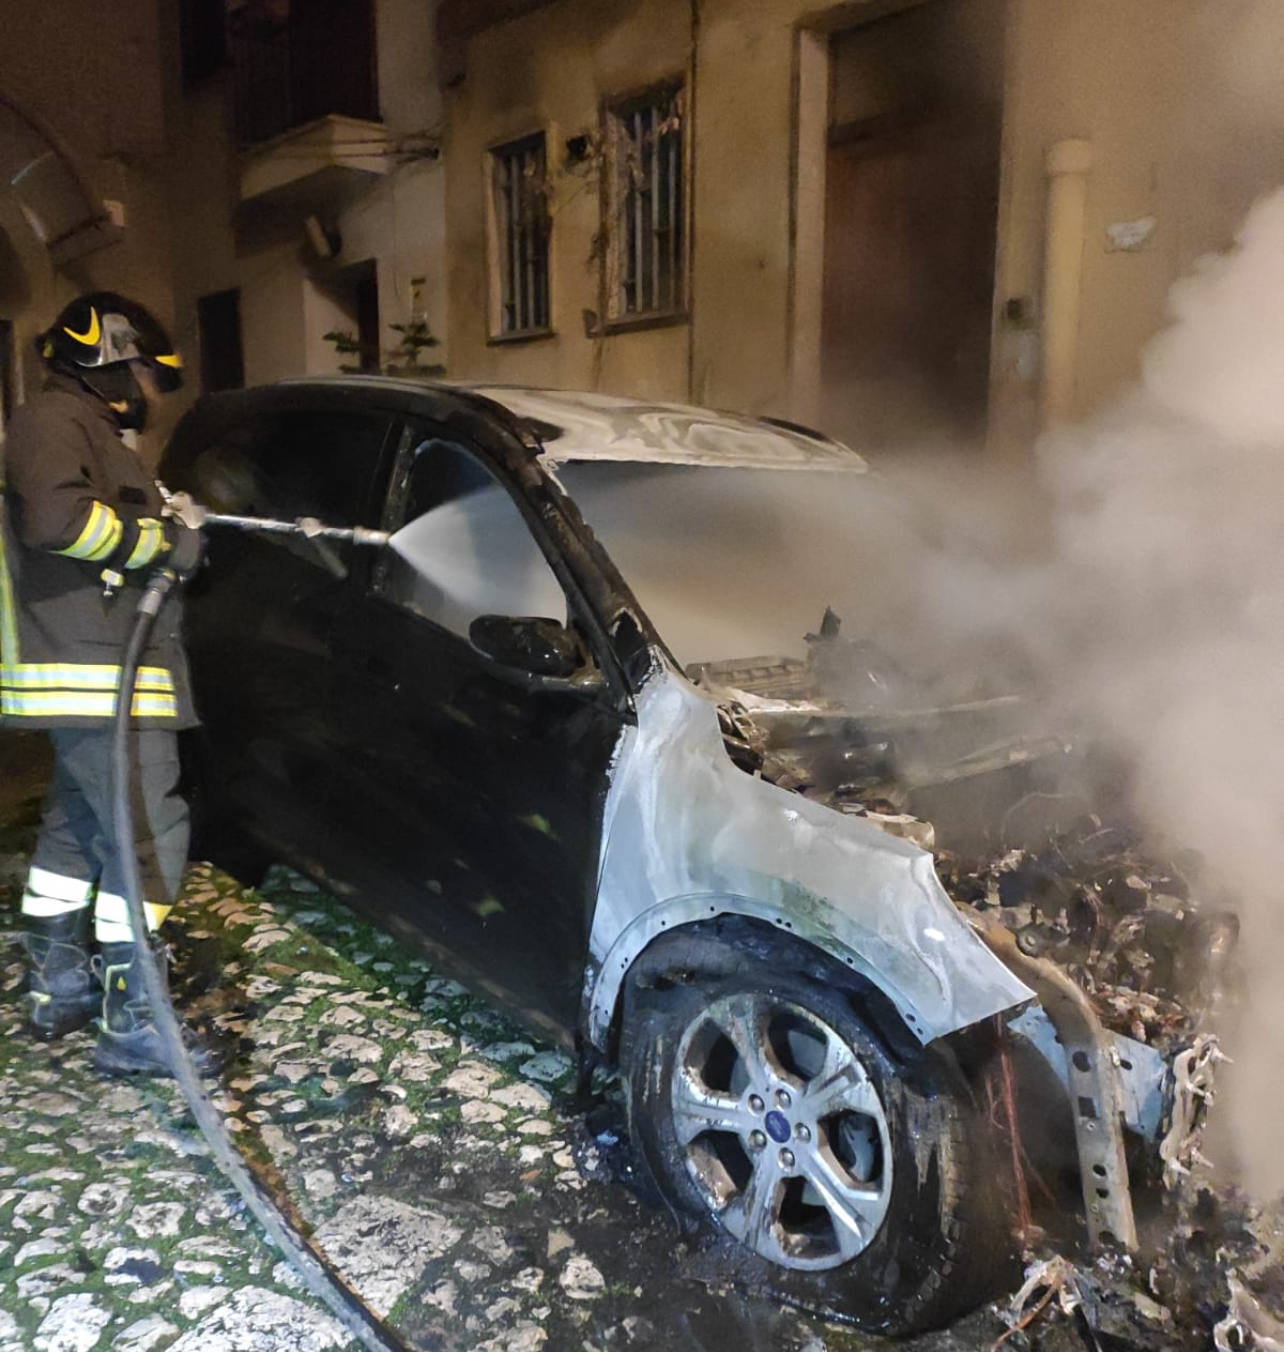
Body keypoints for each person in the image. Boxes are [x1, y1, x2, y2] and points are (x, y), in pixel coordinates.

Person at [1, 291, 208, 1076]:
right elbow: (56, 524)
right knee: (147, 839)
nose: (148, 394)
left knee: (73, 831)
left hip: (89, 673)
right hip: (95, 673)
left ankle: (57, 985)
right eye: (144, 375)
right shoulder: (52, 422)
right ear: (109, 359)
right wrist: (162, 541)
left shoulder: (83, 430)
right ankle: (135, 1019)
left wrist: (164, 519)